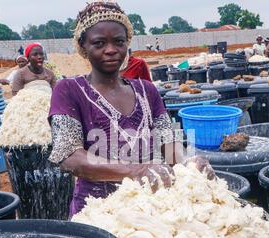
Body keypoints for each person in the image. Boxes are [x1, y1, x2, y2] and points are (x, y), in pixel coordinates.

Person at [48, 1, 214, 216]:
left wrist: (187, 163)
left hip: (152, 207)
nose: (110, 50)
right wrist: (136, 170)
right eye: (99, 43)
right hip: (98, 210)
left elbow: (168, 142)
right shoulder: (69, 90)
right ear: (83, 47)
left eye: (118, 41)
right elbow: (70, 157)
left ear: (127, 44)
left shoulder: (147, 90)